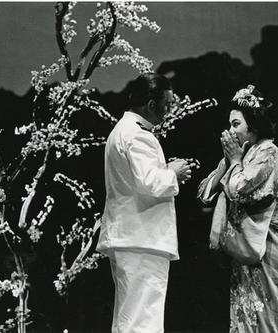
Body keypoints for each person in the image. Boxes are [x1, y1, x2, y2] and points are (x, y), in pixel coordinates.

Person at [198, 85, 278, 333]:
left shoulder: (268, 152)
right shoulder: (240, 155)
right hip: (245, 246)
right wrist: (227, 162)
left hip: (268, 243)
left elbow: (239, 189)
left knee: (268, 317)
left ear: (253, 127)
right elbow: (204, 193)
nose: (230, 131)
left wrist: (234, 162)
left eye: (236, 124)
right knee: (244, 318)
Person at [96, 73, 191, 333]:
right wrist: (174, 173)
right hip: (142, 237)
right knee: (143, 319)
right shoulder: (138, 136)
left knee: (130, 318)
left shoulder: (122, 131)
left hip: (130, 237)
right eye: (167, 103)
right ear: (150, 105)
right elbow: (150, 183)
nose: (169, 110)